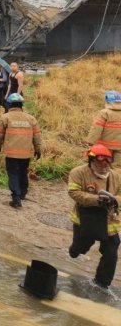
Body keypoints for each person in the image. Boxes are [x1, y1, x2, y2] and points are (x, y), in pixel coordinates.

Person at [67, 144, 121, 289]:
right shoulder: (78, 173)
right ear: (91, 161)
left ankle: (102, 283)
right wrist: (96, 200)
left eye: (107, 163)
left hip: (110, 223)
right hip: (85, 220)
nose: (104, 167)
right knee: (80, 248)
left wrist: (115, 200)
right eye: (100, 163)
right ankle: (75, 250)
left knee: (111, 255)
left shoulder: (116, 176)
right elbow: (74, 193)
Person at [0, 93, 42, 209]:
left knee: (13, 174)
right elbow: (37, 136)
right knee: (23, 172)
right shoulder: (31, 118)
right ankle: (23, 193)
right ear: (21, 105)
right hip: (25, 154)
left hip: (11, 153)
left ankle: (16, 199)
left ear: (9, 104)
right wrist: (38, 150)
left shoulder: (5, 117)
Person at [87, 90, 121, 163]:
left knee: (102, 164)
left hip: (105, 146)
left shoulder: (104, 113)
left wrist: (91, 141)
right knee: (118, 167)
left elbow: (96, 128)